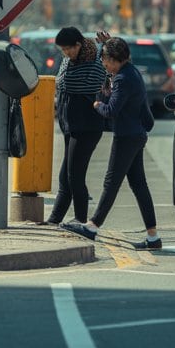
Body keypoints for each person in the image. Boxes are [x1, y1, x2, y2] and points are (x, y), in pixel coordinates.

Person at [63, 33, 160, 250]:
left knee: (111, 182)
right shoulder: (132, 71)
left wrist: (97, 105)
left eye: (105, 60)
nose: (103, 64)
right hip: (136, 135)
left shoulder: (123, 79)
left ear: (115, 59)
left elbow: (111, 110)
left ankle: (92, 226)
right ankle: (153, 237)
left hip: (126, 137)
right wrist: (105, 45)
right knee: (139, 185)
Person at [43, 26, 108, 226]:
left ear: (78, 45)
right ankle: (54, 220)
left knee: (75, 176)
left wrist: (105, 46)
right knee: (66, 176)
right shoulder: (70, 60)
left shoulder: (96, 61)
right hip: (71, 125)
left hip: (86, 127)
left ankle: (80, 220)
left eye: (68, 49)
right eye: (63, 50)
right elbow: (62, 83)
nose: (66, 53)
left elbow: (75, 83)